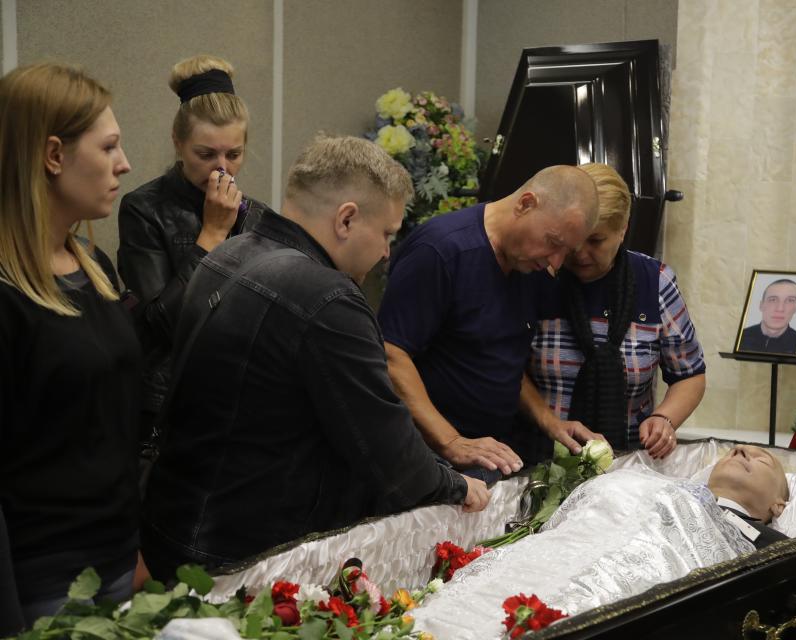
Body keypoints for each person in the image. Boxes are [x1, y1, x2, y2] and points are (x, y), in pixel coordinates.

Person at [140, 135, 490, 581]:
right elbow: (390, 457)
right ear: (346, 218)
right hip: (244, 553)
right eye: (386, 234)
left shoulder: (227, 250)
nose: (386, 252)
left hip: (174, 523)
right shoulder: (328, 297)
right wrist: (458, 485)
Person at [0, 63, 138, 625]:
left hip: (121, 561)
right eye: (108, 147)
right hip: (44, 585)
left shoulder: (93, 264)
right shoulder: (8, 296)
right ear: (53, 156)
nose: (124, 164)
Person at [411, 445, 789, 639]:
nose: (743, 451)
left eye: (762, 459)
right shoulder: (647, 482)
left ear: (778, 505)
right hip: (559, 554)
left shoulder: (771, 544)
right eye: (739, 449)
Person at [377, 166, 601, 481]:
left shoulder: (528, 265)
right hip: (427, 457)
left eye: (566, 251)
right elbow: (390, 353)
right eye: (553, 242)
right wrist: (451, 441)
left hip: (491, 452)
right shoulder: (441, 250)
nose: (556, 262)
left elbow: (502, 361)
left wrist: (551, 422)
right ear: (525, 204)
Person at [118, 55, 271, 443]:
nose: (222, 169)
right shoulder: (144, 208)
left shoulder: (258, 215)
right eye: (206, 155)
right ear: (178, 144)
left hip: (241, 398)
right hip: (169, 403)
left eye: (233, 154)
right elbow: (161, 323)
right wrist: (211, 236)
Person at [522, 163, 706, 458]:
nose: (580, 253)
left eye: (596, 240)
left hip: (628, 462)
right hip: (540, 455)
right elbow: (508, 369)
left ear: (623, 229)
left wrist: (663, 419)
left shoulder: (654, 282)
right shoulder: (537, 274)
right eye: (575, 239)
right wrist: (551, 422)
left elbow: (689, 374)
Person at [706, 444, 789, 549]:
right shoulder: (681, 492)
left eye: (762, 460)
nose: (739, 448)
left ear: (778, 506)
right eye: (727, 454)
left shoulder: (780, 548)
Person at [738, 279, 796, 355]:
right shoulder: (742, 338)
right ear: (761, 305)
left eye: (790, 300)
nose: (780, 309)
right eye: (773, 300)